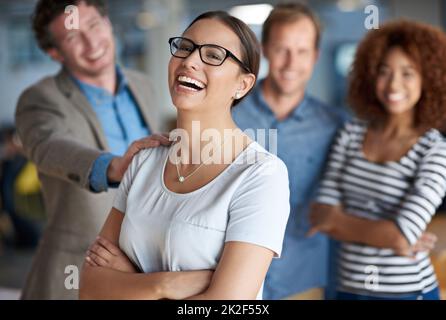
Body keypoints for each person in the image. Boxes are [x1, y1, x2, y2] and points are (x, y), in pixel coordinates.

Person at [79, 11, 290, 300]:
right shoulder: (144, 162)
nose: (190, 61)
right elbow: (90, 288)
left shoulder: (261, 175)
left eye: (214, 55)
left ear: (243, 84)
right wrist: (163, 286)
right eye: (185, 47)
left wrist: (128, 282)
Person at [15, 0, 169, 299]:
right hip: (75, 272)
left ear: (108, 23)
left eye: (94, 26)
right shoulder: (40, 98)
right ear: (55, 53)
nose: (91, 42)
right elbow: (50, 147)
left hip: (144, 270)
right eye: (73, 37)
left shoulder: (144, 86)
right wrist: (113, 166)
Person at [310, 20, 446, 300]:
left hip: (406, 292)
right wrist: (388, 236)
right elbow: (320, 215)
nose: (394, 83)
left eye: (408, 73)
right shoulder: (351, 133)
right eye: (384, 72)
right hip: (346, 287)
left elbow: (398, 235)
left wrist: (341, 221)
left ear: (428, 79)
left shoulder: (435, 150)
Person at [232, 3, 347, 299]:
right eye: (282, 49)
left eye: (302, 51)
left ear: (316, 56)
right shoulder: (228, 115)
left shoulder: (335, 127)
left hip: (303, 280)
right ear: (265, 49)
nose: (291, 62)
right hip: (232, 277)